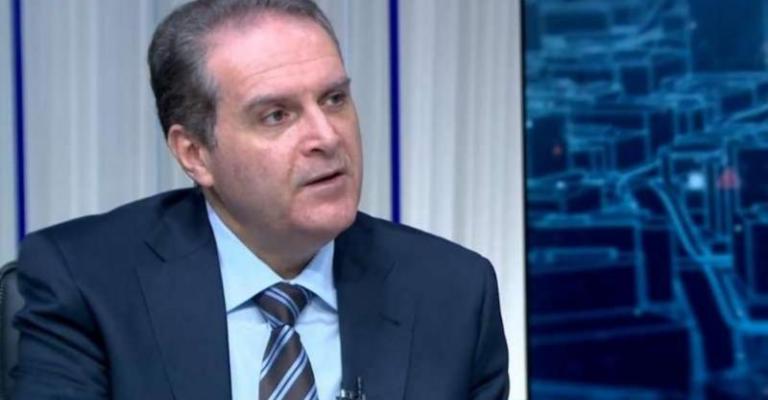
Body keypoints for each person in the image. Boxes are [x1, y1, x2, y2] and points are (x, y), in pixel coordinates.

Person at [12, 0, 509, 399]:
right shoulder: (86, 282)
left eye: (334, 99)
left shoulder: (453, 293)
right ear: (195, 154)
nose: (326, 136)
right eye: (276, 115)